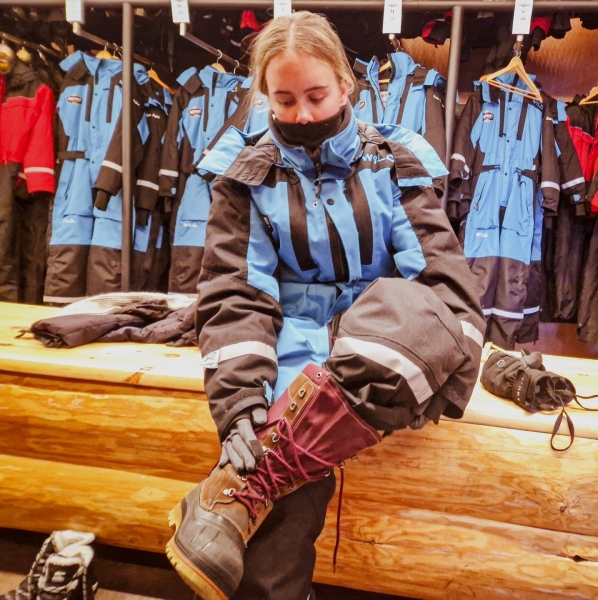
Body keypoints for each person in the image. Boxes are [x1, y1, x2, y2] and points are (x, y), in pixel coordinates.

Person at [165, 11, 485, 600]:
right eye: (284, 100)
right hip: (291, 332)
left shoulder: (395, 160)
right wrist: (239, 400)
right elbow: (237, 291)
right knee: (279, 423)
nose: (304, 115)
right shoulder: (245, 175)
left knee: (399, 330)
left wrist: (448, 363)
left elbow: (440, 274)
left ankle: (234, 492)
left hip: (381, 332)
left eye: (316, 95)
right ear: (264, 98)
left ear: (346, 85)